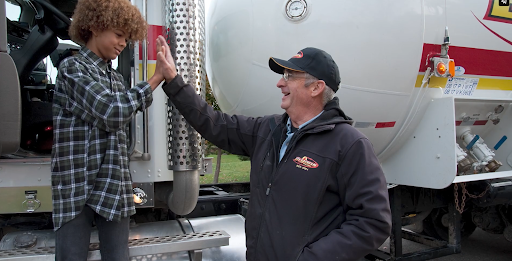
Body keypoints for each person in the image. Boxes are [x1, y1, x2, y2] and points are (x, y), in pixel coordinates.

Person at [156, 35, 392, 260]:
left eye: (289, 76)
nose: (280, 82)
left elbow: (372, 222)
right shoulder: (267, 130)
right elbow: (213, 123)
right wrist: (174, 82)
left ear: (316, 87)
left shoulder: (350, 145)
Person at [51, 1, 170, 260]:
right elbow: (112, 112)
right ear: (94, 26)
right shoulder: (72, 69)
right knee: (71, 256)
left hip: (113, 182)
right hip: (76, 185)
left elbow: (126, 107)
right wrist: (155, 78)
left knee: (118, 257)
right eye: (118, 35)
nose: (122, 43)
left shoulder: (115, 79)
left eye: (126, 39)